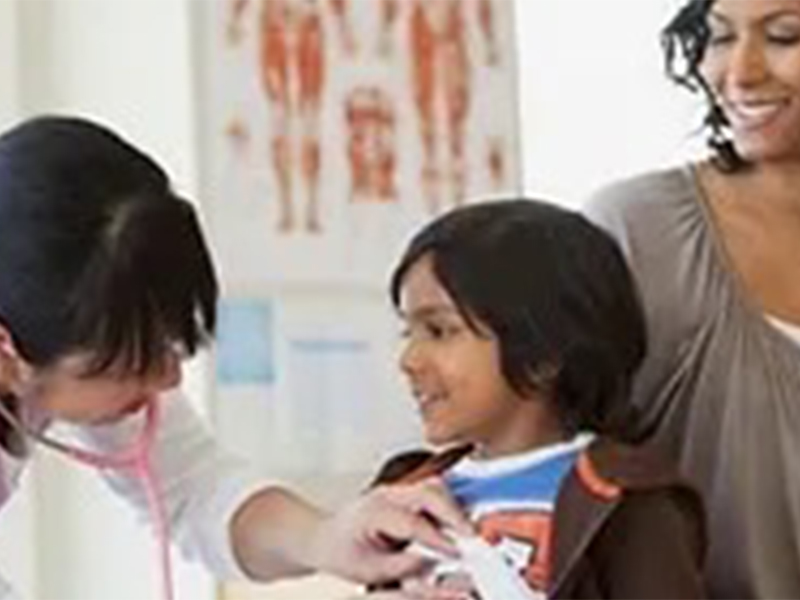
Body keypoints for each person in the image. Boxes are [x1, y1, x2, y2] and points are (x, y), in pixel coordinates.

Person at [0, 115, 471, 600]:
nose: (166, 380)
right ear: (7, 354)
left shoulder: (64, 342)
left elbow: (194, 489)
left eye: (168, 346)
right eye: (128, 366)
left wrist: (325, 538)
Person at [369, 200, 706, 598]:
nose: (408, 361)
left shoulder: (629, 504)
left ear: (545, 355)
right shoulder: (405, 491)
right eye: (408, 333)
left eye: (440, 331)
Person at [584, 0, 800, 596]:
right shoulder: (636, 229)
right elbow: (535, 451)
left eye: (784, 37)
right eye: (720, 37)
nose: (741, 71)